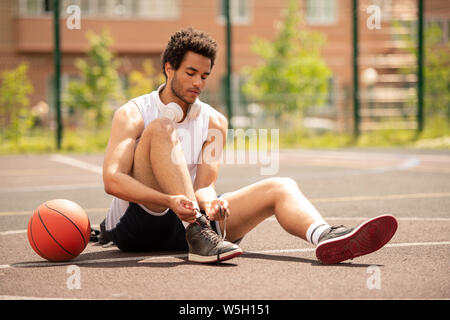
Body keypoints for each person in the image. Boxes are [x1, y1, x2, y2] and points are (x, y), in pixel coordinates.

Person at [102, 27, 397, 265]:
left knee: (281, 185)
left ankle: (325, 237)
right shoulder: (134, 113)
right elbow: (112, 180)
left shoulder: (215, 121)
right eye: (190, 73)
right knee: (163, 126)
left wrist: (212, 203)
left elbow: (205, 185)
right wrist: (169, 201)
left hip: (196, 226)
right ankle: (197, 232)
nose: (198, 83)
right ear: (169, 69)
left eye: (204, 76)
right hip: (140, 223)